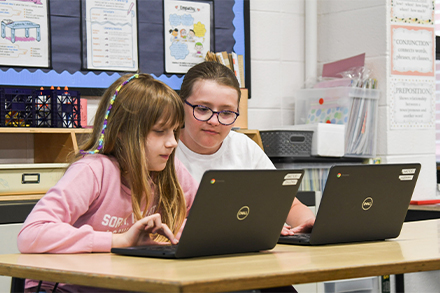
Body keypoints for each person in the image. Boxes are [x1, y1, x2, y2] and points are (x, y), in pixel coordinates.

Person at [17, 73, 198, 292]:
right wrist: (118, 240)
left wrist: (179, 236)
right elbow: (31, 234)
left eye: (175, 131)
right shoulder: (93, 170)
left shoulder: (170, 169)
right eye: (159, 131)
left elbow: (203, 220)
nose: (172, 142)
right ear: (122, 131)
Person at [176, 61, 315, 235]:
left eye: (226, 113)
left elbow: (287, 203)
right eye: (203, 109)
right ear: (181, 105)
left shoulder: (244, 147)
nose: (214, 121)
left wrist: (309, 223)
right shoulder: (164, 151)